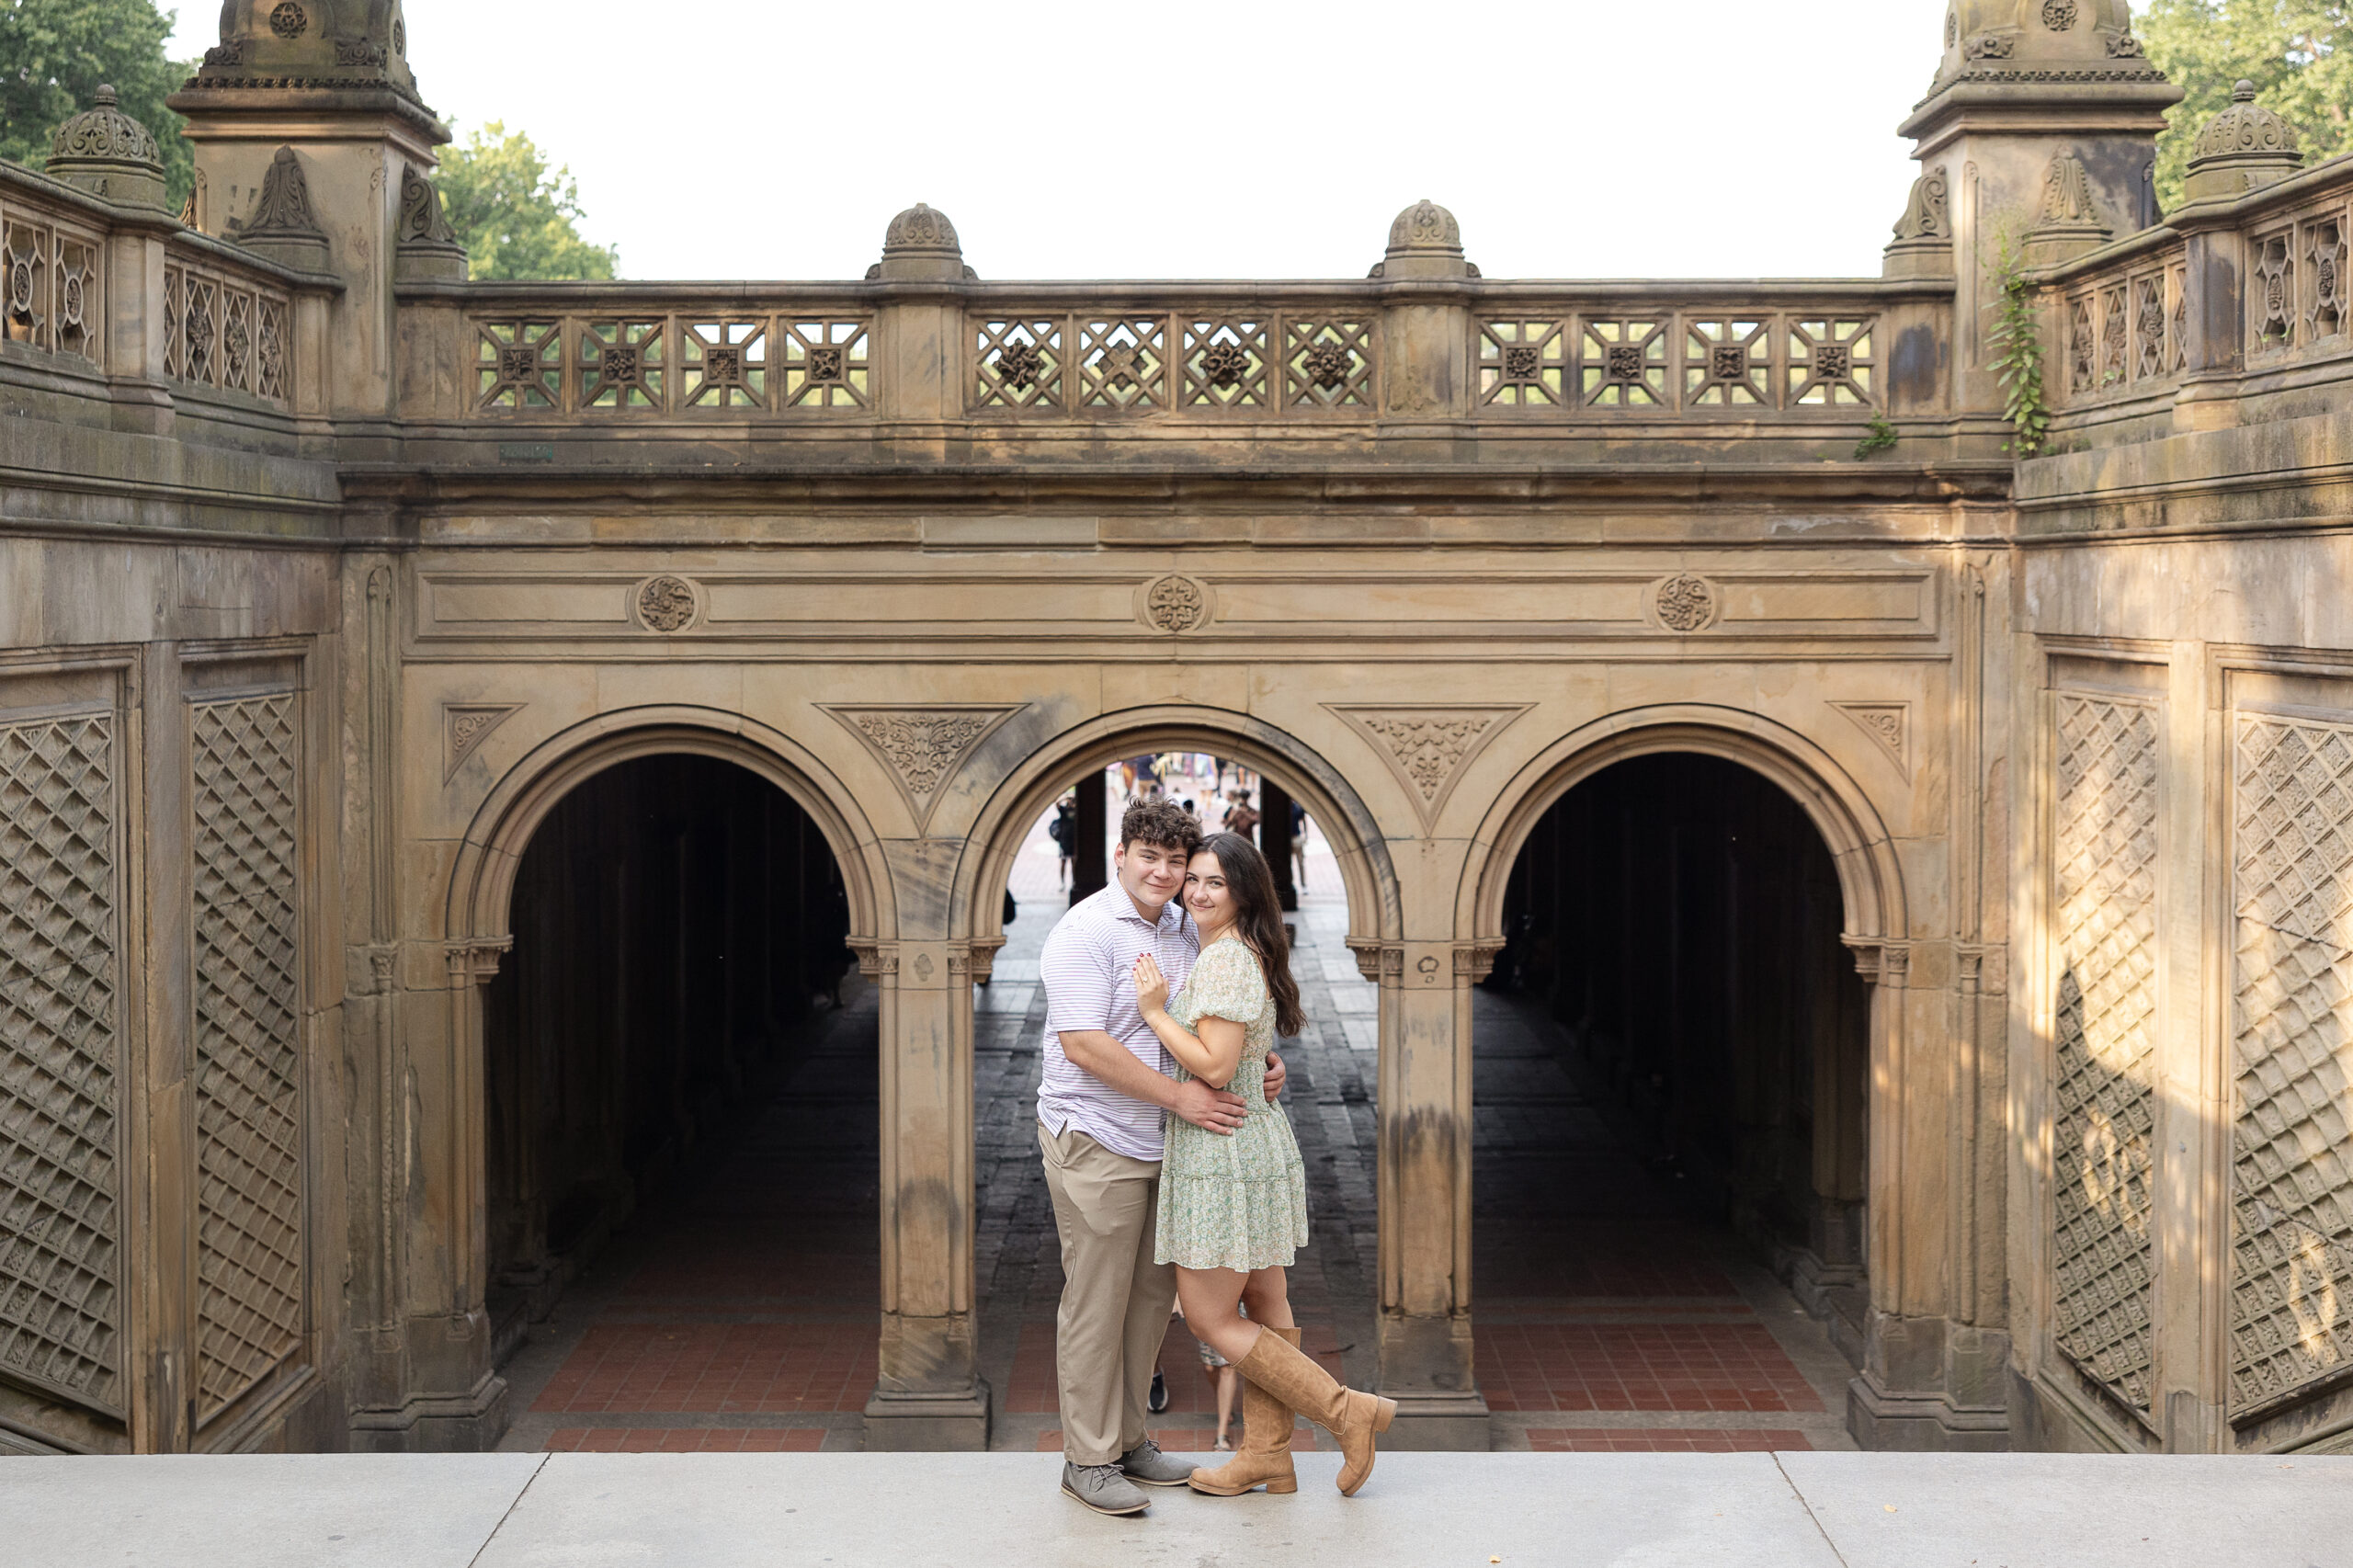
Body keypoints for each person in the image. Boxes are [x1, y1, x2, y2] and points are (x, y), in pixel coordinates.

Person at [1037, 801, 1289, 1517]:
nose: (1166, 873)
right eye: (1150, 857)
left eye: (1177, 863)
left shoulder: (1188, 927)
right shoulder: (1083, 932)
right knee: (1096, 1302)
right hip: (1098, 1139)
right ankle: (1086, 1460)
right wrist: (1181, 1100)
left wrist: (1262, 1064)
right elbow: (1083, 1044)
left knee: (1151, 1302)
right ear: (1121, 856)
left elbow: (1214, 1025)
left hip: (1170, 1147)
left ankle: (1128, 1442)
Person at [1132, 832, 1395, 1499]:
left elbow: (1215, 1066)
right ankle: (1267, 1456)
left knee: (1208, 1318)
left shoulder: (1222, 962)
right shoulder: (1240, 950)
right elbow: (1247, 1056)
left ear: (1245, 891)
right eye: (1192, 878)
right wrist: (1265, 1067)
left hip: (1221, 1151)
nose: (1195, 890)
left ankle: (1345, 1411)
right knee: (1266, 1299)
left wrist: (1155, 1013)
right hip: (1254, 1141)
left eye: (1213, 882)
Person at [1050, 796, 1076, 888]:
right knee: (1063, 862)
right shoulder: (1064, 810)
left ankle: (1074, 881)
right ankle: (1062, 882)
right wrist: (1065, 798)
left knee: (1073, 863)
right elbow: (1057, 804)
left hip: (1073, 840)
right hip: (1064, 840)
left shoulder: (1077, 811)